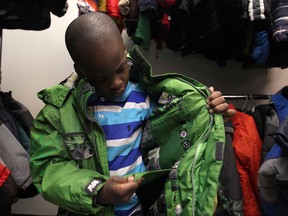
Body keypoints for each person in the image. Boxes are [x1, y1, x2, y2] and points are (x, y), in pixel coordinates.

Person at [29, 12, 235, 216]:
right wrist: (97, 190)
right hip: (90, 209)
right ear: (81, 71)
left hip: (141, 209)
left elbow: (180, 131)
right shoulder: (57, 115)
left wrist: (210, 110)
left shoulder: (148, 95)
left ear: (125, 51)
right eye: (102, 78)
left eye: (121, 69)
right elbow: (48, 169)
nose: (117, 83)